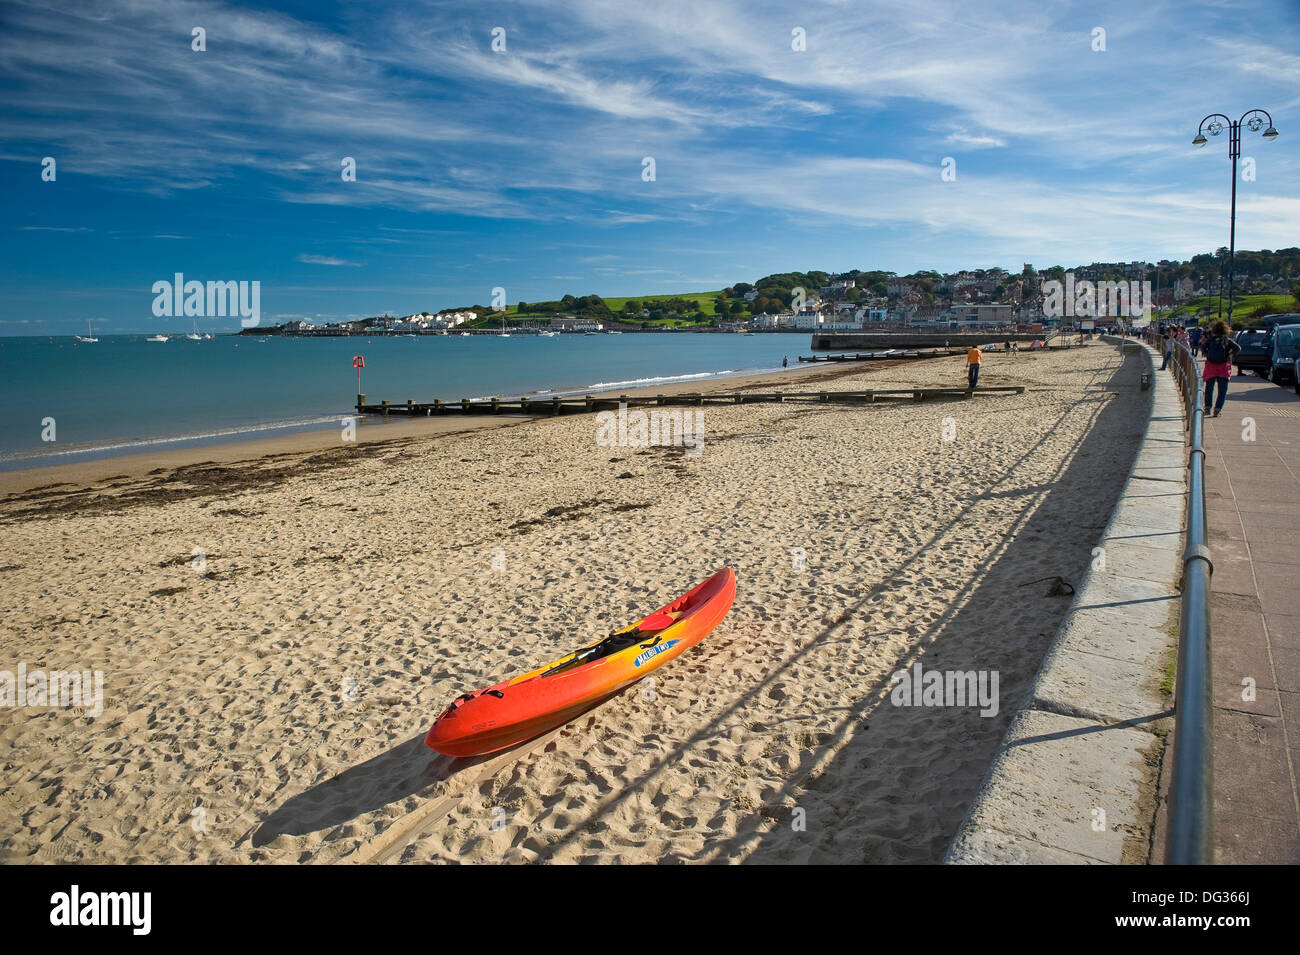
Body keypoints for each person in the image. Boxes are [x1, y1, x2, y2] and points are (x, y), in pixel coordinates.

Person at [1201, 321, 1240, 418]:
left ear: (1214, 330)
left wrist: (1207, 353)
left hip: (1211, 366)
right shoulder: (1227, 340)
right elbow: (1238, 348)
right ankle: (1217, 410)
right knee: (1222, 390)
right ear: (1225, 330)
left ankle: (1207, 408)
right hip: (1223, 367)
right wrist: (1229, 354)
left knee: (1209, 388)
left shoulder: (1211, 339)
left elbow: (1202, 347)